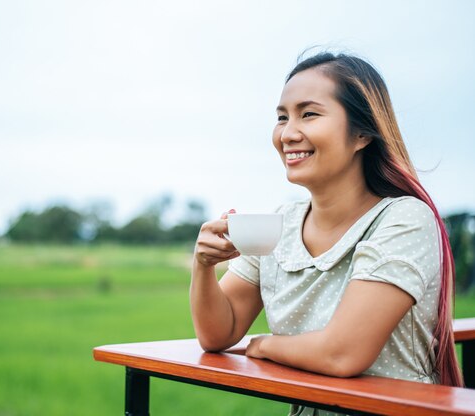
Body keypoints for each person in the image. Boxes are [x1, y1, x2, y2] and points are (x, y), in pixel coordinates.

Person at [190, 52, 463, 415]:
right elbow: (218, 334)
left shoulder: (404, 219)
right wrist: (204, 265)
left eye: (309, 114)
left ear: (363, 132)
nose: (288, 134)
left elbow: (342, 353)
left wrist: (264, 345)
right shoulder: (280, 224)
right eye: (282, 117)